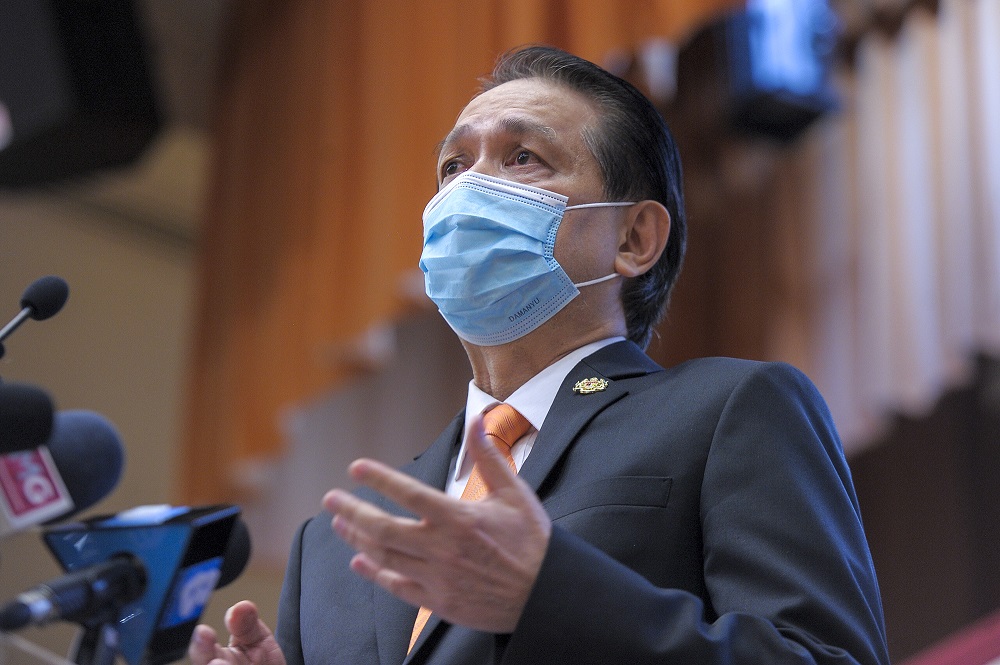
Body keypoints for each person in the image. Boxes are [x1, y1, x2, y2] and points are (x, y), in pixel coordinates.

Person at [189, 45, 890, 665]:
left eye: (523, 157)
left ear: (634, 238)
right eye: (453, 166)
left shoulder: (727, 411)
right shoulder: (336, 542)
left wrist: (550, 593)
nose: (468, 190)